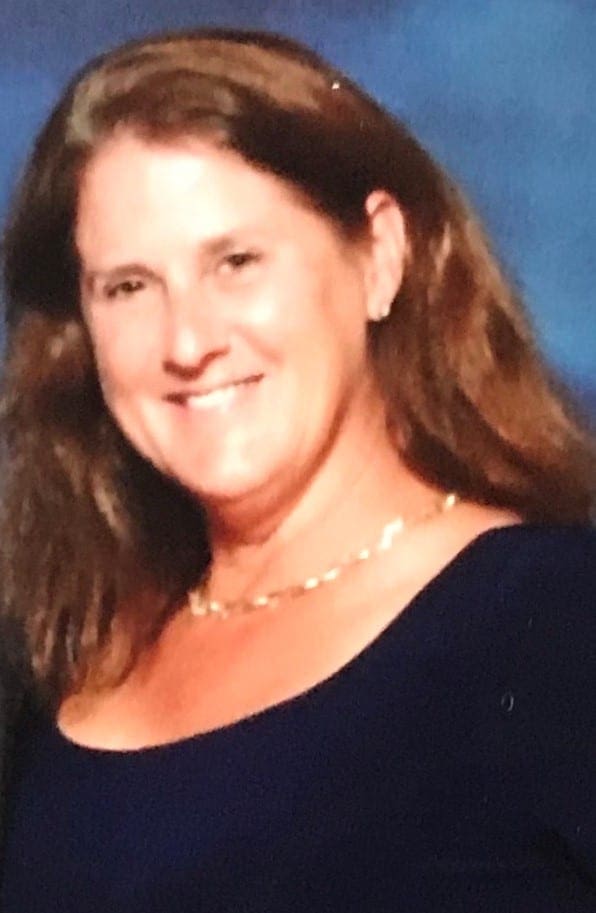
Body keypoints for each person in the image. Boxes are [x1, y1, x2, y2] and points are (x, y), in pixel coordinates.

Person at [0, 27, 594, 912]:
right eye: (129, 286)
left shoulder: (555, 622)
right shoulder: (57, 649)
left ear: (380, 256)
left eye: (236, 263)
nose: (188, 341)